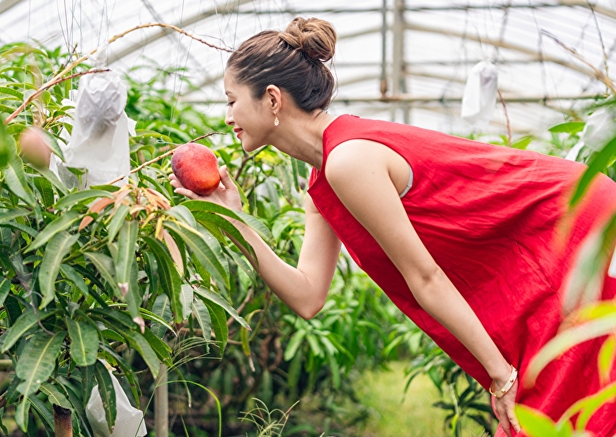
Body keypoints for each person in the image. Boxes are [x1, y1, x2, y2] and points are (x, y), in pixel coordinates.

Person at [169, 17, 616, 437]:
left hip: (566, 230)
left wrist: (500, 378)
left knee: (558, 407)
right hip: (542, 247)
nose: (227, 118)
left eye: (231, 101)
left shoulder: (348, 160)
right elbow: (307, 296)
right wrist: (232, 218)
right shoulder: (324, 177)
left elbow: (424, 276)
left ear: (271, 98)